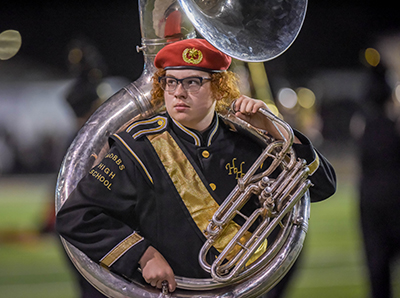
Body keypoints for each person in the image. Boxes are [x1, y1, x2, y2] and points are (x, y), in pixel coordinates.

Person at [56, 38, 336, 294]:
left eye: (192, 82)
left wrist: (279, 131)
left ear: (218, 86)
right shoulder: (138, 146)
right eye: (170, 81)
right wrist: (143, 254)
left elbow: (323, 186)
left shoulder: (251, 142)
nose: (179, 92)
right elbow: (76, 216)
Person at [357, 64, 400, 298]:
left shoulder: (361, 126)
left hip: (370, 198)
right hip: (395, 195)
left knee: (377, 267)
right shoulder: (394, 126)